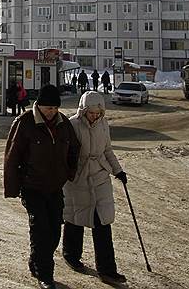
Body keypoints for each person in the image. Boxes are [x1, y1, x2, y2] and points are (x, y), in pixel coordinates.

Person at [4, 85, 80, 289]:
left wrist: (69, 172)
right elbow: (12, 156)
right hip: (32, 187)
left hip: (55, 187)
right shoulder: (25, 122)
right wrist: (13, 187)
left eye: (55, 108)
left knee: (54, 231)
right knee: (41, 231)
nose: (52, 112)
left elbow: (74, 148)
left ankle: (36, 260)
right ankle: (45, 276)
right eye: (48, 108)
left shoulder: (63, 123)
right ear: (39, 105)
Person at [61, 91, 128, 285]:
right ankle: (71, 255)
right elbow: (64, 154)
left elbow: (107, 150)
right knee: (75, 218)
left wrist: (118, 171)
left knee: (102, 221)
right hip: (78, 179)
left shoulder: (103, 124)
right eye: (91, 113)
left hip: (99, 175)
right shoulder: (72, 125)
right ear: (83, 110)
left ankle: (107, 270)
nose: (94, 116)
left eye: (98, 113)